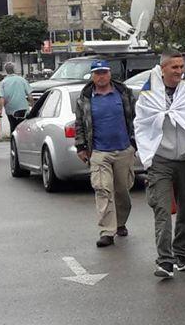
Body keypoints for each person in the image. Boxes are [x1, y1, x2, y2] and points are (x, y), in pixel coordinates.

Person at [134, 50, 185, 279]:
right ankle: (165, 261)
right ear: (163, 69)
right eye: (174, 67)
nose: (179, 71)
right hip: (161, 158)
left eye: (181, 67)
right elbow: (142, 122)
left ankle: (181, 255)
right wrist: (147, 152)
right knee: (161, 208)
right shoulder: (149, 92)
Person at [74, 60, 138, 248]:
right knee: (103, 189)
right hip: (99, 151)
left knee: (122, 191)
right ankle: (107, 231)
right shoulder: (85, 97)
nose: (101, 76)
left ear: (110, 74)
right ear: (92, 76)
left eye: (104, 72)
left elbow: (136, 118)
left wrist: (135, 143)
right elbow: (79, 124)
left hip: (124, 149)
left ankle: (120, 223)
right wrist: (81, 147)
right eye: (97, 73)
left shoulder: (124, 93)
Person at [0, 62, 32, 133]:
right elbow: (29, 95)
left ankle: (13, 141)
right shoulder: (22, 80)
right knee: (23, 127)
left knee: (13, 127)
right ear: (14, 69)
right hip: (23, 108)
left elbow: (1, 98)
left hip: (10, 109)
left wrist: (0, 110)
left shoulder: (3, 82)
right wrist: (33, 105)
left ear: (6, 71)